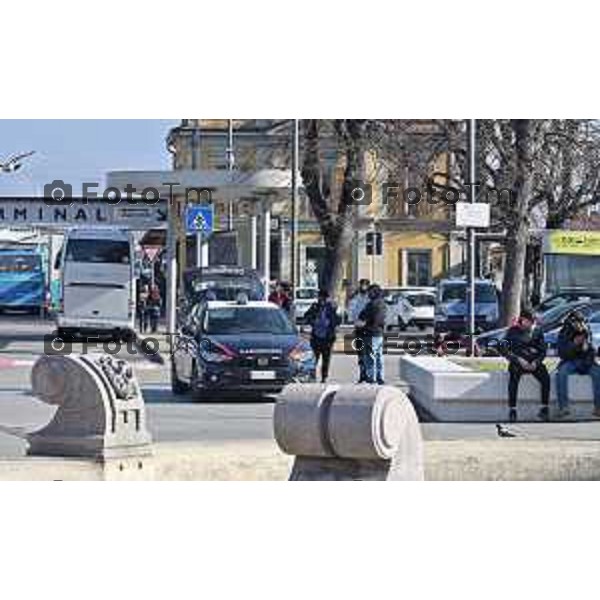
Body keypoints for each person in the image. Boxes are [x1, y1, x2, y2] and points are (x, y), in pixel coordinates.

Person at [501, 308, 550, 423]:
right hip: (518, 362)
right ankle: (512, 409)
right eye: (530, 321)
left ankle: (544, 408)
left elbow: (543, 351)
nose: (533, 324)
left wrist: (536, 362)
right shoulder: (512, 331)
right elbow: (504, 349)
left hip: (533, 362)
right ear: (523, 320)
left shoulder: (537, 332)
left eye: (534, 321)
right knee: (513, 378)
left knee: (545, 377)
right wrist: (517, 359)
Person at [556, 310, 600, 419]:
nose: (579, 325)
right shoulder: (564, 332)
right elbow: (562, 354)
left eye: (581, 322)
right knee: (561, 374)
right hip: (571, 361)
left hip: (586, 361)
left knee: (598, 373)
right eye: (576, 322)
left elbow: (592, 351)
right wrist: (574, 345)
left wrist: (586, 349)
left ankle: (598, 407)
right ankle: (563, 407)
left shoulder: (586, 330)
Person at [304, 289, 341, 383]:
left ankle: (324, 377)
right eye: (320, 298)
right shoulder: (315, 306)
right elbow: (306, 316)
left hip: (327, 338)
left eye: (324, 298)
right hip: (316, 337)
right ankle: (312, 376)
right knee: (313, 359)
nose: (322, 300)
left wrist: (329, 322)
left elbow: (338, 320)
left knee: (326, 359)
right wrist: (313, 321)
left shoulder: (332, 307)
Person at [356, 284, 387, 385]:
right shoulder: (383, 304)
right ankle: (380, 377)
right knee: (379, 356)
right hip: (379, 333)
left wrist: (362, 324)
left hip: (370, 333)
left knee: (370, 357)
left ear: (374, 292)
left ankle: (371, 377)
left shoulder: (371, 304)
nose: (368, 294)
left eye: (370, 292)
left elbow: (362, 316)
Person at [348, 279, 371, 383]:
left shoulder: (370, 299)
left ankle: (370, 375)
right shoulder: (355, 298)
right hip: (358, 329)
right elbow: (351, 311)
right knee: (360, 354)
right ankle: (362, 375)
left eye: (365, 285)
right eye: (361, 285)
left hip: (368, 329)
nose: (363, 287)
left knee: (369, 353)